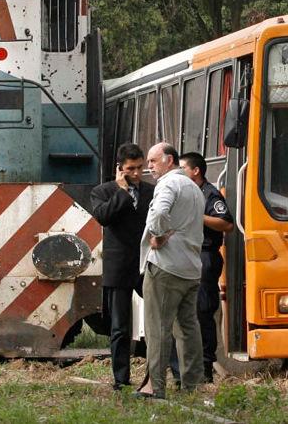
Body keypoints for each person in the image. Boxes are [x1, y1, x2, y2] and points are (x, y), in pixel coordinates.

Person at [136, 143, 206, 399]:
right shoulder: (195, 188)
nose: (149, 167)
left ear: (169, 160)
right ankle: (193, 386)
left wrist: (158, 235)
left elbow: (158, 215)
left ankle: (155, 387)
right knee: (188, 328)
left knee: (158, 328)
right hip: (191, 267)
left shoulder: (168, 184)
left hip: (166, 266)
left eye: (153, 161)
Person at [89, 143, 153, 390]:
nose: (136, 174)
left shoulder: (152, 191)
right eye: (130, 169)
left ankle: (172, 372)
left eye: (139, 168)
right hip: (119, 264)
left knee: (162, 317)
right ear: (120, 168)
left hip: (147, 262)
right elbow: (103, 217)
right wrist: (122, 191)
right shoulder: (103, 191)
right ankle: (121, 379)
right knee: (119, 327)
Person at [170, 152, 235, 383]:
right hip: (184, 256)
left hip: (204, 256)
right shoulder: (182, 192)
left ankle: (206, 367)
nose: (180, 173)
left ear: (196, 171)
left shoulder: (209, 194)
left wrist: (199, 215)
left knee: (202, 311)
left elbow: (226, 223)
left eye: (184, 168)